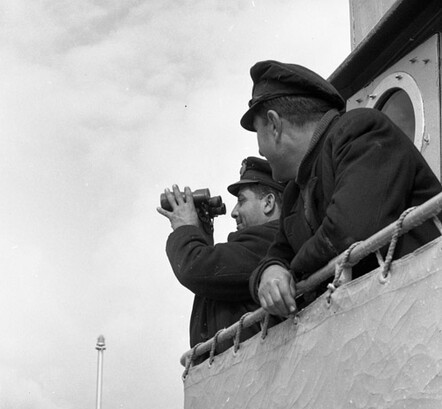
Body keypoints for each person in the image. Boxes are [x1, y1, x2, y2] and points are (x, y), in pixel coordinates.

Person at [240, 60, 442, 317]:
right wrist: (269, 271)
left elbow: (348, 230)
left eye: (257, 131)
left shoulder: (359, 130)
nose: (259, 149)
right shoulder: (293, 193)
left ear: (274, 124)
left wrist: (289, 272)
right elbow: (274, 254)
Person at [158, 157, 284, 356]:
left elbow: (194, 267)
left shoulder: (271, 241)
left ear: (268, 202)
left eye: (241, 201)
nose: (233, 212)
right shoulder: (258, 245)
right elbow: (215, 283)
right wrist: (202, 236)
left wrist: (185, 228)